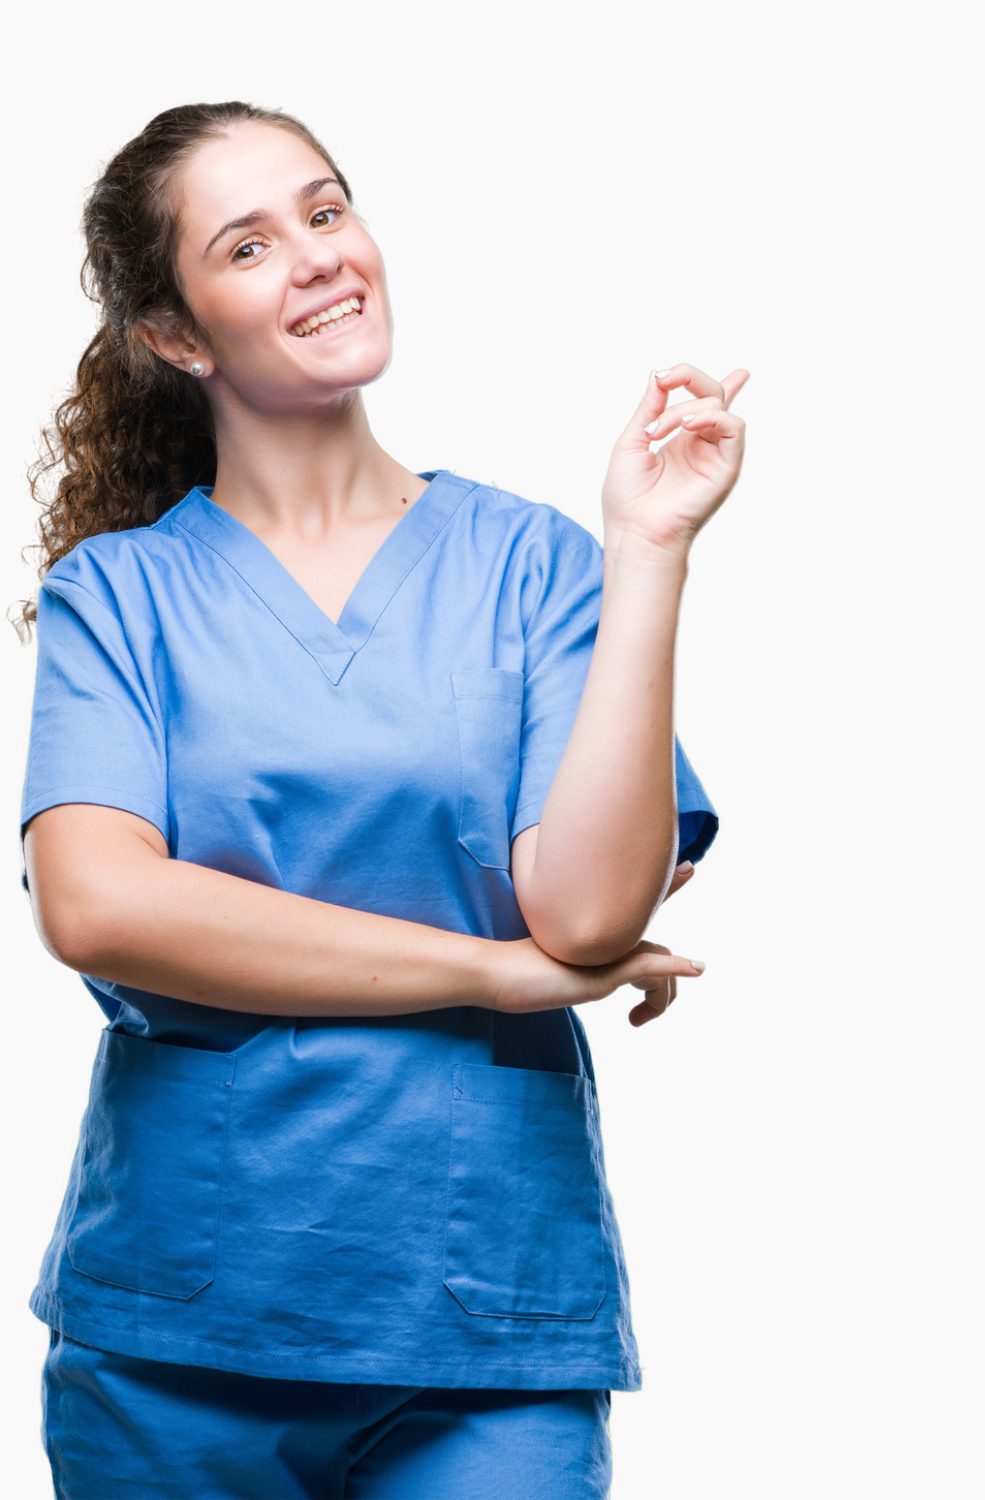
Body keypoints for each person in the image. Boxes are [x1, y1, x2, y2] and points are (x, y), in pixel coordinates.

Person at [16, 100, 747, 1498]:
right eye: (248, 243)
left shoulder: (533, 565)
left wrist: (647, 548)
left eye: (327, 209)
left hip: (487, 1331)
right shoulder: (120, 595)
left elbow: (586, 912)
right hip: (184, 1328)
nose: (316, 256)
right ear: (176, 333)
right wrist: (490, 973)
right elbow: (101, 905)